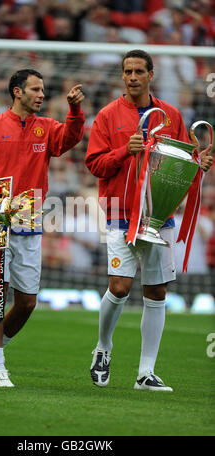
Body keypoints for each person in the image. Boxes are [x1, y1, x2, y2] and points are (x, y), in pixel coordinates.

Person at [0, 68, 85, 387]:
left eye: (43, 90)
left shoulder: (47, 128)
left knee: (27, 302)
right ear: (17, 92)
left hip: (30, 220)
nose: (41, 95)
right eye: (35, 90)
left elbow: (70, 139)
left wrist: (75, 110)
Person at [85, 49, 213, 392]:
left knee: (156, 292)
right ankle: (103, 348)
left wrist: (198, 166)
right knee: (119, 287)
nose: (132, 77)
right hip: (120, 214)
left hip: (160, 216)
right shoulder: (107, 116)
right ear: (122, 75)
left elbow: (185, 160)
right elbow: (94, 164)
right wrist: (125, 150)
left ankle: (146, 373)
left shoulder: (171, 114)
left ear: (150, 74)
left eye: (139, 71)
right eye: (127, 71)